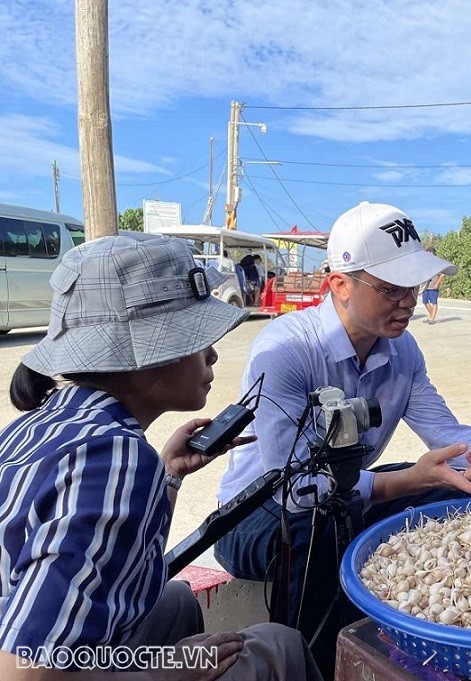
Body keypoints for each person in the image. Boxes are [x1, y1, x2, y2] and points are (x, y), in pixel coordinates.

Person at [214, 201, 471, 675]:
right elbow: (295, 487)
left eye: (413, 287)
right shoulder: (286, 351)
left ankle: (437, 625)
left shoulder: (401, 349)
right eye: (391, 288)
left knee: (456, 488)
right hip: (259, 514)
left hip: (339, 497)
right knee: (317, 530)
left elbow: (448, 435)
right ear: (340, 284)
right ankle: (318, 663)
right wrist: (404, 483)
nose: (408, 302)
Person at [0, 235, 320, 681]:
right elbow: (24, 673)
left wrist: (168, 477)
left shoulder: (39, 425)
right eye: (195, 337)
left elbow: (115, 561)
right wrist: (167, 670)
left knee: (174, 600)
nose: (212, 353)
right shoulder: (113, 459)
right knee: (278, 646)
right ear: (147, 356)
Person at [421, 247, 445, 324]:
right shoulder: (425, 263)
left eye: (429, 253)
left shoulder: (437, 264)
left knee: (434, 302)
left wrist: (437, 284)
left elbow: (442, 275)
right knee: (425, 301)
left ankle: (432, 319)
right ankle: (432, 315)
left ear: (433, 254)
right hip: (426, 286)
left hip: (433, 287)